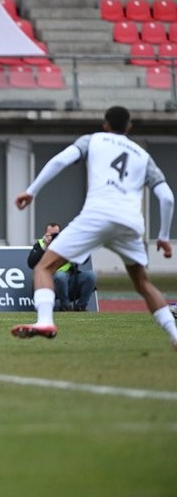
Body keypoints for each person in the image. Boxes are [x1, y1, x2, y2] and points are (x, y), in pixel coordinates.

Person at [13, 106, 176, 349]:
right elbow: (167, 198)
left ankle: (45, 321)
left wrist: (31, 191)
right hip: (130, 222)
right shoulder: (143, 156)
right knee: (143, 283)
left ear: (105, 125)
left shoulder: (93, 140)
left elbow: (60, 160)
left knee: (44, 267)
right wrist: (163, 236)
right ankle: (174, 335)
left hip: (97, 215)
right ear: (129, 127)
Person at [27, 222, 97, 311]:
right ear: (45, 234)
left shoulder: (66, 244)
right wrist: (45, 246)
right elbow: (31, 263)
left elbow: (84, 260)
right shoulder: (41, 244)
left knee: (91, 275)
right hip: (49, 282)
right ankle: (65, 306)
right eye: (51, 235)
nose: (53, 237)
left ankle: (81, 306)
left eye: (56, 235)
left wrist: (76, 248)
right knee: (60, 276)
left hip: (69, 279)